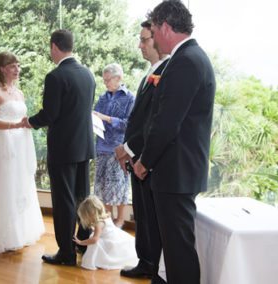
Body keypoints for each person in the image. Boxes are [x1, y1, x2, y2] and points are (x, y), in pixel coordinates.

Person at [133, 1, 216, 283]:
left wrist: (145, 161)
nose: (153, 38)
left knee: (179, 252)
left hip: (176, 172)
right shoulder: (189, 58)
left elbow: (167, 122)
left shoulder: (186, 61)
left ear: (166, 27)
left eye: (154, 31)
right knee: (173, 249)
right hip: (177, 171)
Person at [22, 29, 96, 266]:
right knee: (82, 197)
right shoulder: (88, 75)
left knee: (64, 202)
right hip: (84, 147)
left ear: (55, 46)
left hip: (64, 149)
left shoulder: (55, 76)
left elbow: (50, 114)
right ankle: (83, 243)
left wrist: (30, 122)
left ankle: (66, 252)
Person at [0, 52, 44, 255]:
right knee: (6, 186)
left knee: (20, 186)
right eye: (13, 66)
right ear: (3, 69)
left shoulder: (19, 93)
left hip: (21, 144)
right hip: (5, 145)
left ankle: (20, 232)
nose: (17, 69)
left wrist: (27, 123)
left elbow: (23, 117)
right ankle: (4, 235)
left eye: (18, 66)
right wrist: (15, 125)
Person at [115, 21, 169, 279]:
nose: (140, 45)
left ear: (158, 39)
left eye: (144, 39)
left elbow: (152, 121)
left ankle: (151, 264)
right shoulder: (151, 73)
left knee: (151, 216)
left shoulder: (167, 73)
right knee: (143, 214)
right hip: (138, 156)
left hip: (151, 158)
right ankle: (145, 261)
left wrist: (127, 147)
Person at [93, 63, 135, 229]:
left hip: (118, 149)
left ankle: (120, 220)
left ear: (118, 78)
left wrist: (107, 118)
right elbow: (96, 115)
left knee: (119, 184)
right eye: (104, 80)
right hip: (101, 146)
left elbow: (130, 124)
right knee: (103, 186)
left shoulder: (130, 98)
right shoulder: (103, 97)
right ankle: (108, 219)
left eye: (108, 80)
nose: (105, 83)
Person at [73, 195, 137, 270]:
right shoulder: (107, 215)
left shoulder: (98, 223)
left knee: (95, 243)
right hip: (116, 237)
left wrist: (80, 242)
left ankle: (99, 261)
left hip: (110, 242)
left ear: (90, 214)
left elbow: (94, 240)